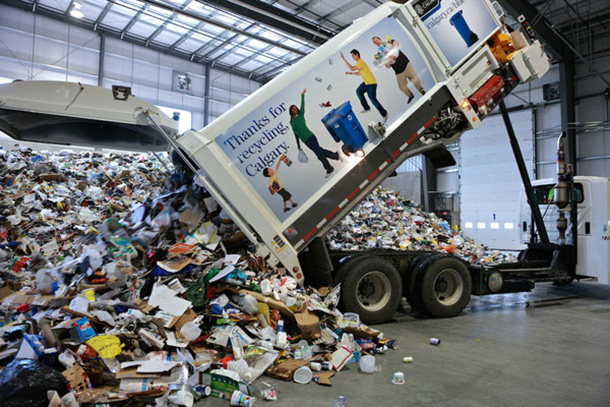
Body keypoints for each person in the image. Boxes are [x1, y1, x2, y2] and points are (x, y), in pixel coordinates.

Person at [290, 89, 341, 178]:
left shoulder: (301, 115)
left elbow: (302, 105)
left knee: (319, 154)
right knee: (320, 151)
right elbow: (296, 134)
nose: (294, 109)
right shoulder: (291, 122)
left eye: (295, 108)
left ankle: (329, 168)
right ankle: (336, 155)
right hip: (306, 141)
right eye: (292, 109)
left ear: (297, 110)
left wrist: (302, 95)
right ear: (291, 111)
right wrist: (298, 145)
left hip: (311, 137)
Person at [372, 36, 425, 103]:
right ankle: (410, 95)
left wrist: (391, 52)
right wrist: (386, 60)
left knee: (415, 78)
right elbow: (387, 66)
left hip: (405, 63)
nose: (376, 42)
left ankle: (422, 91)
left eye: (376, 40)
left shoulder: (388, 42)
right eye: (374, 42)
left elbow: (396, 42)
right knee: (402, 87)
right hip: (398, 71)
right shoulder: (380, 52)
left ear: (380, 39)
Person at [340, 49, 388, 121]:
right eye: (352, 56)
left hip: (371, 83)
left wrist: (344, 59)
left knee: (373, 100)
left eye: (353, 56)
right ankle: (366, 108)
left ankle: (384, 113)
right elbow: (360, 73)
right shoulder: (360, 64)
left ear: (357, 55)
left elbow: (352, 68)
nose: (353, 57)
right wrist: (350, 73)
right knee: (358, 91)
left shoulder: (360, 62)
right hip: (366, 83)